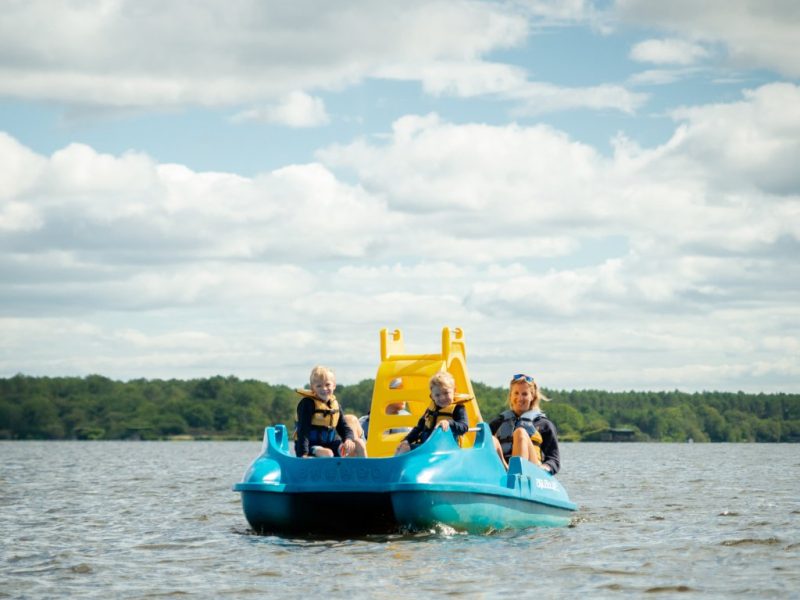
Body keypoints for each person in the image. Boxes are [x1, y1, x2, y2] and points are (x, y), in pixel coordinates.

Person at [489, 373, 560, 474]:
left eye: (524, 394)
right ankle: (506, 474)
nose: (520, 398)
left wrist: (545, 468)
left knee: (520, 433)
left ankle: (517, 475)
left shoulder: (545, 425)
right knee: (490, 438)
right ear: (510, 395)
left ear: (532, 396)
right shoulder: (497, 423)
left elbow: (554, 460)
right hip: (503, 467)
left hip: (532, 471)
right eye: (516, 393)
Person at [294, 365, 365, 458]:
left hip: (332, 444)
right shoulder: (307, 404)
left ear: (334, 385)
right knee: (328, 453)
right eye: (319, 386)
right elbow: (303, 430)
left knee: (358, 443)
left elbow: (344, 427)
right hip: (311, 446)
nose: (324, 389)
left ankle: (366, 470)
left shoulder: (335, 405)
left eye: (327, 384)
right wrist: (303, 453)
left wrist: (348, 439)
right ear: (312, 388)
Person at [395, 371, 468, 454]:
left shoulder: (457, 408)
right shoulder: (431, 409)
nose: (442, 398)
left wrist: (449, 423)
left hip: (447, 451)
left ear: (454, 391)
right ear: (432, 396)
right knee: (402, 448)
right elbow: (419, 428)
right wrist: (407, 440)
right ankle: (395, 465)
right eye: (437, 395)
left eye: (446, 393)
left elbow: (464, 427)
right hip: (426, 448)